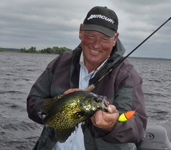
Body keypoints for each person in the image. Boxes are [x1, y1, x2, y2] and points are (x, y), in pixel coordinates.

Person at [27, 6, 147, 150]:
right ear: (80, 31)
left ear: (115, 39)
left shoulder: (126, 75)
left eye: (104, 38)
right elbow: (33, 102)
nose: (96, 44)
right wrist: (57, 106)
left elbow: (138, 126)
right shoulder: (60, 63)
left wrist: (112, 126)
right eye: (90, 35)